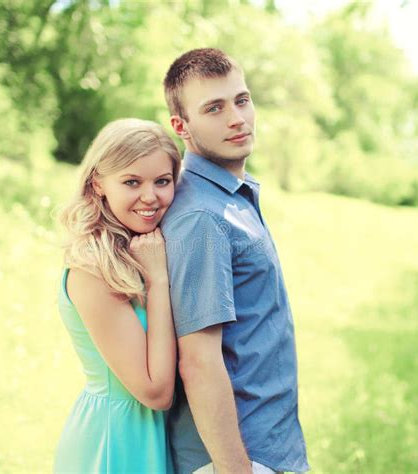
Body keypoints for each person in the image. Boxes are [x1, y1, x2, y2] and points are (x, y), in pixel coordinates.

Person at [161, 48, 309, 474]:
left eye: (241, 100)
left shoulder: (230, 198)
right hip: (238, 459)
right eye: (214, 108)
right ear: (181, 127)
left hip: (269, 444)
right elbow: (199, 361)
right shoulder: (201, 217)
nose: (236, 118)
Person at [53, 118, 181, 473]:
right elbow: (156, 393)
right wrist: (157, 281)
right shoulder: (93, 268)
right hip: (114, 441)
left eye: (162, 181)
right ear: (98, 184)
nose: (150, 196)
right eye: (131, 182)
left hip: (151, 436)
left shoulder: (140, 248)